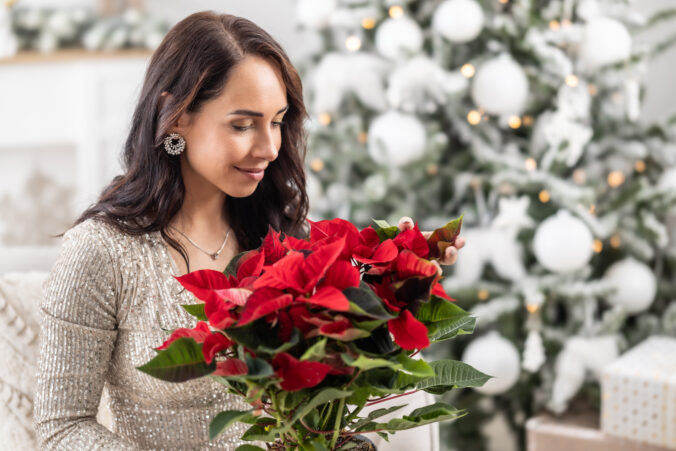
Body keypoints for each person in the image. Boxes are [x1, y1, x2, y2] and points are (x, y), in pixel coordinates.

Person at [33, 11, 465, 450]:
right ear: (176, 115)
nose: (270, 148)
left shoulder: (277, 236)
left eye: (277, 121)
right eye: (242, 125)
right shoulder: (102, 251)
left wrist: (397, 272)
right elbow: (61, 427)